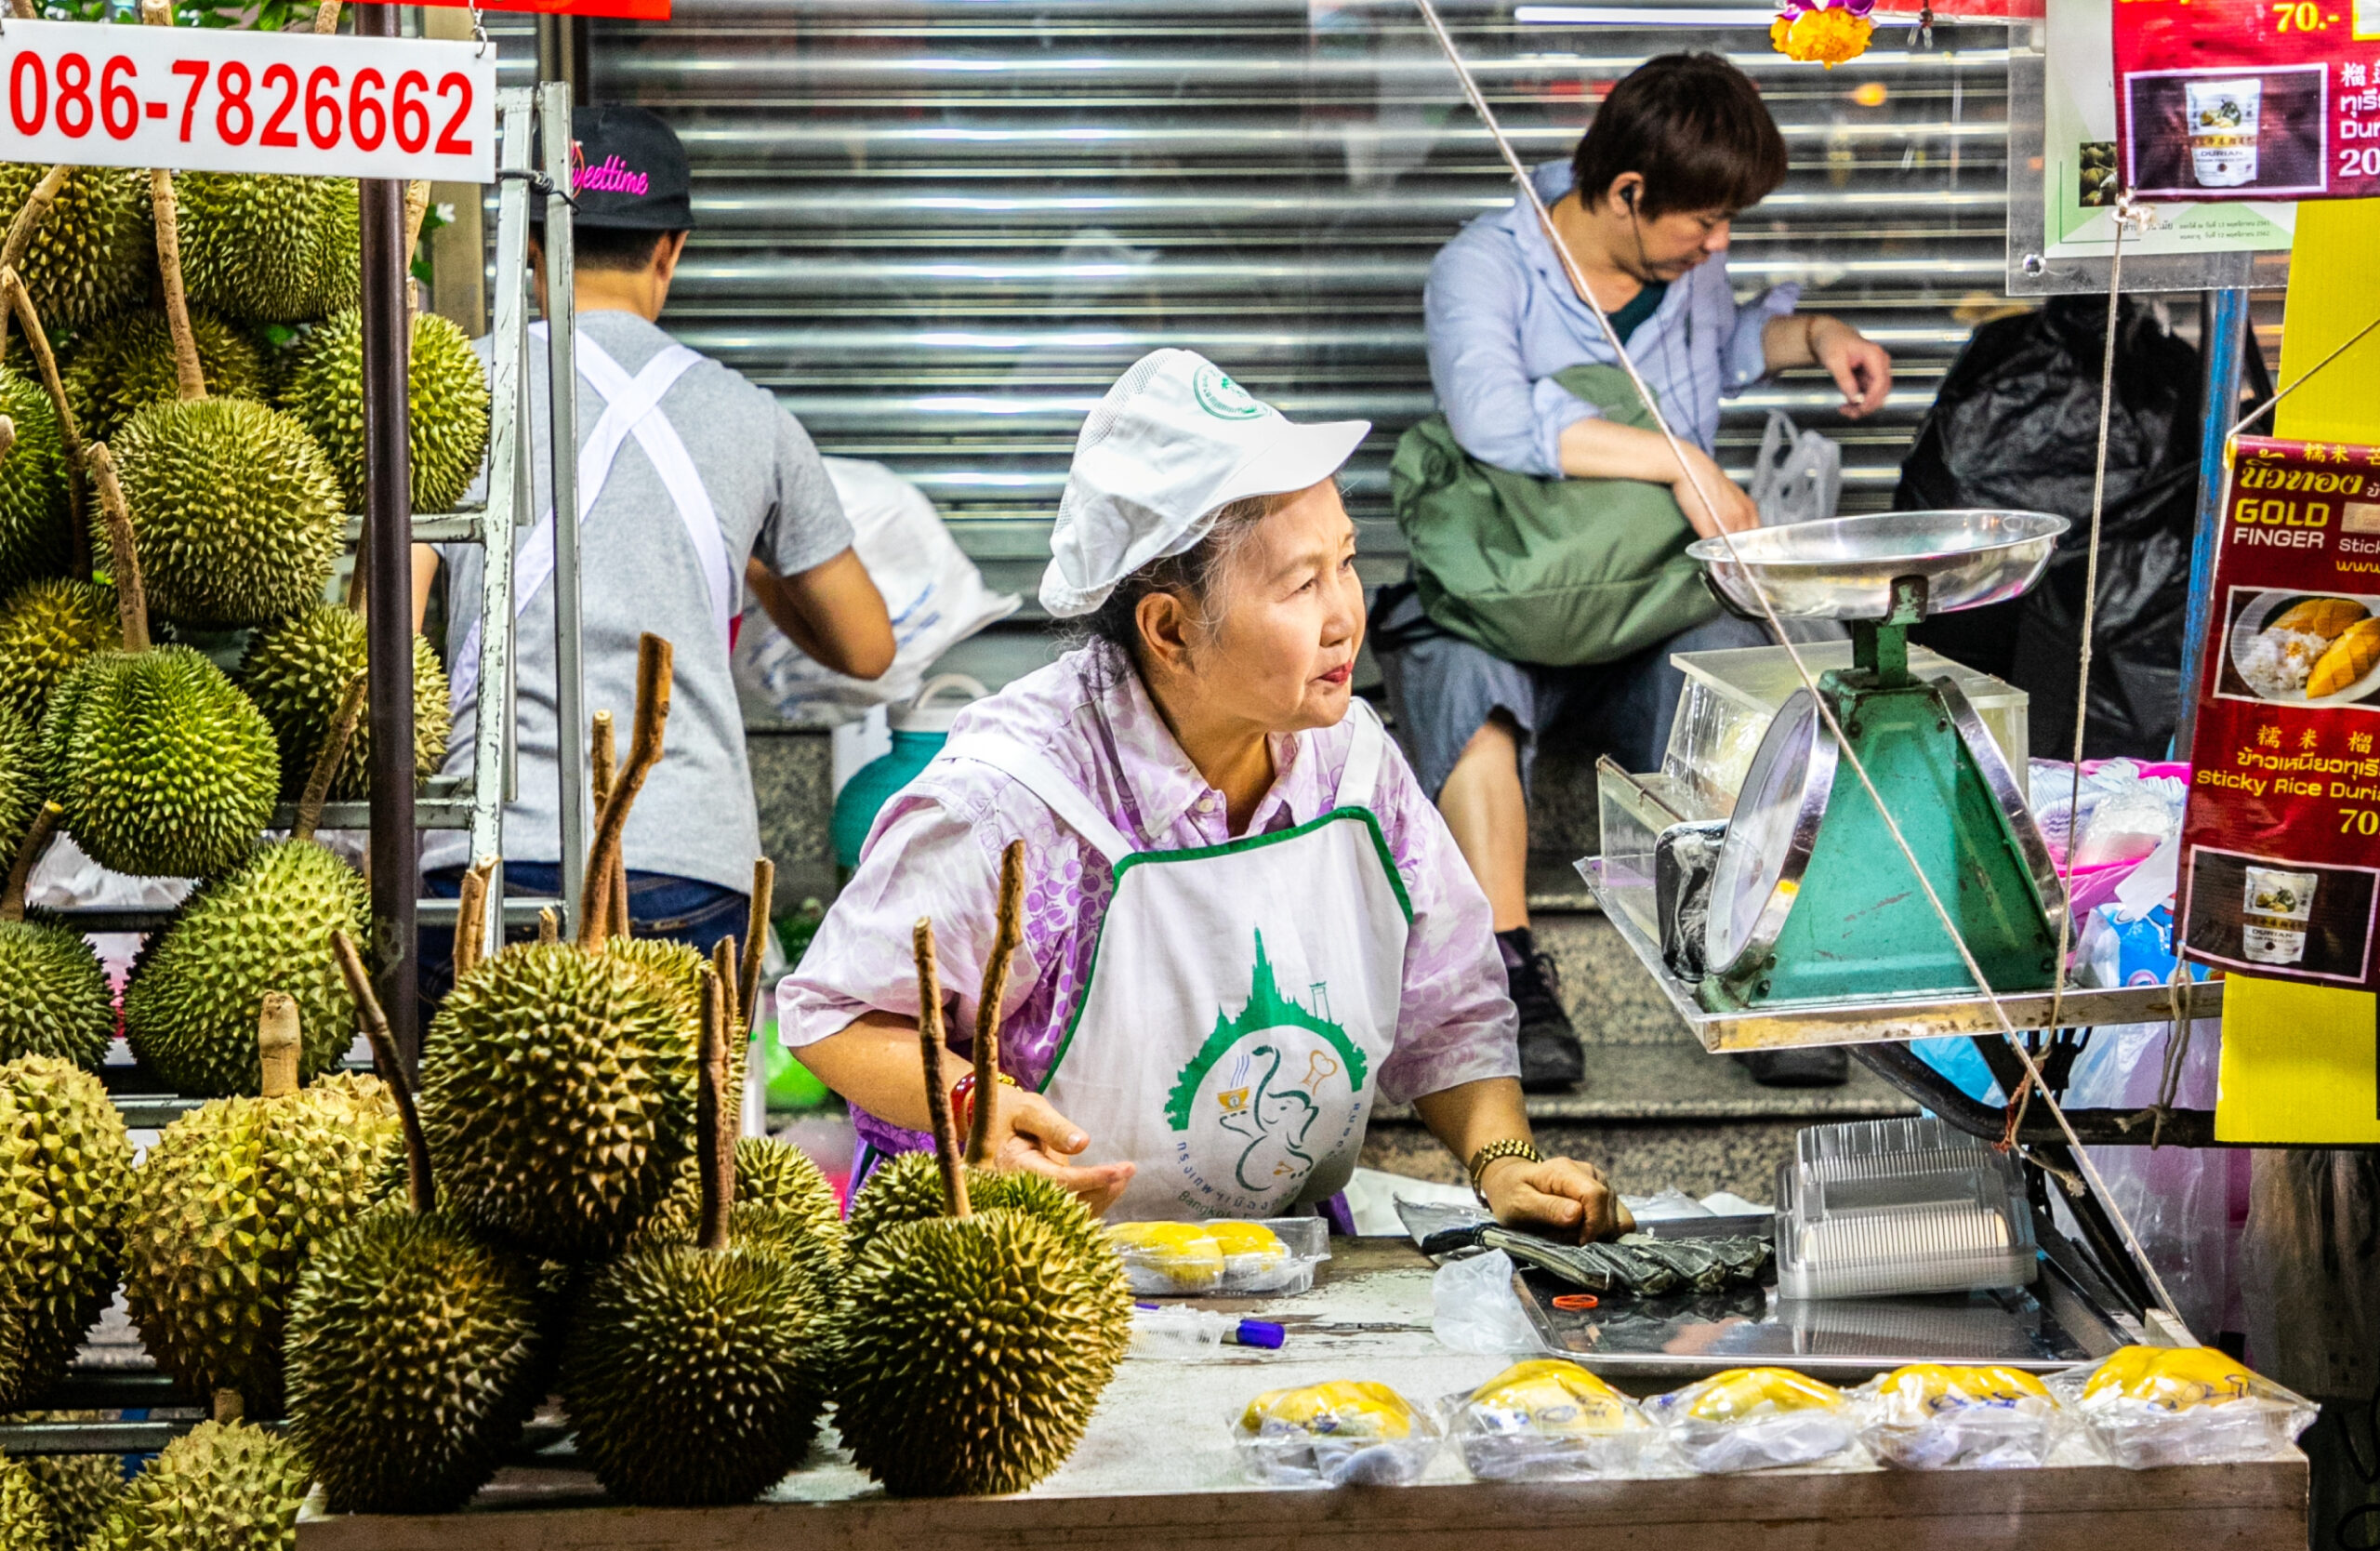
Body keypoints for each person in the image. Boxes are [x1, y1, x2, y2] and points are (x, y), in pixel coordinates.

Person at [780, 348, 1630, 1241]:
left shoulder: (1352, 766)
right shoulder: (1016, 800)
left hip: (1266, 1259)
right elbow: (833, 1012)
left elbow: (1448, 1004)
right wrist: (972, 1104)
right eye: (1302, 584)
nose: (1346, 614)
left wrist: (1504, 1164)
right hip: (1014, 1270)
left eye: (1345, 562)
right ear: (1170, 628)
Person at [1373, 52, 1895, 1088]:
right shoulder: (1484, 268)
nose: (1719, 243)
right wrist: (1676, 459)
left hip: (1642, 605)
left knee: (1743, 670)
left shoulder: (1687, 276)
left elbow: (1732, 347)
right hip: (1504, 592)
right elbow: (1495, 418)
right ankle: (1509, 979)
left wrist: (1819, 334)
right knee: (1461, 688)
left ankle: (1742, 952)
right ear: (1625, 193)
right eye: (1702, 221)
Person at [418, 104, 895, 986]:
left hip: (489, 860)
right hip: (689, 868)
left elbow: (389, 629)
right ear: (670, 249)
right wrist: (737, 550)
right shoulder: (753, 420)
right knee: (678, 1131)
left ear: (530, 244)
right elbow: (866, 647)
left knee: (482, 1128)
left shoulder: (454, 387)